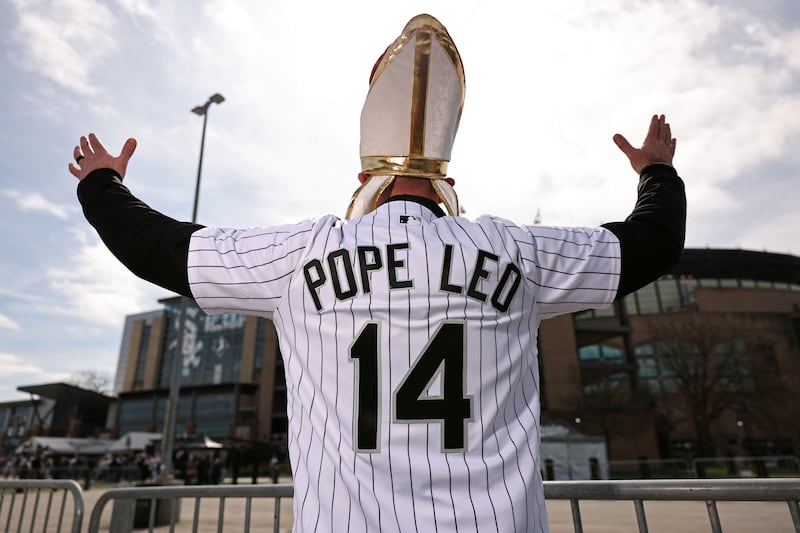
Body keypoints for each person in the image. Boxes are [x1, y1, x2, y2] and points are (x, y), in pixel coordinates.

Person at [69, 13, 684, 533]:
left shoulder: (301, 254)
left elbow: (158, 247)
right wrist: (656, 171)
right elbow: (652, 244)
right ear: (446, 185)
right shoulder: (511, 250)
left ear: (366, 180)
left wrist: (103, 184)